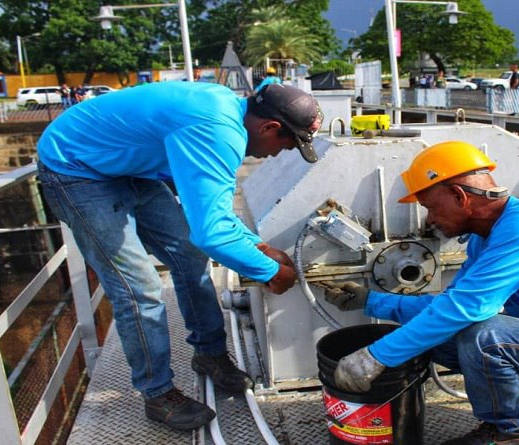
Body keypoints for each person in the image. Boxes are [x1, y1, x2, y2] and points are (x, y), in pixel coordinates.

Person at [36, 82, 322, 431]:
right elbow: (211, 233)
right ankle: (157, 394)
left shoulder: (226, 110)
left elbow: (209, 211)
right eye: (288, 144)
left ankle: (210, 355)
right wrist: (271, 272)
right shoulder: (218, 131)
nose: (279, 154)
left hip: (126, 165)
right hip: (77, 169)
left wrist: (257, 246)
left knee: (188, 255)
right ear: (269, 128)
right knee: (138, 289)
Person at [323, 141, 519, 445]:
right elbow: (449, 308)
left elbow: (466, 308)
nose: (430, 221)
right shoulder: (483, 238)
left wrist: (376, 356)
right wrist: (373, 301)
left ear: (460, 196)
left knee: (483, 336)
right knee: (436, 339)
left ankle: (511, 433)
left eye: (432, 208)